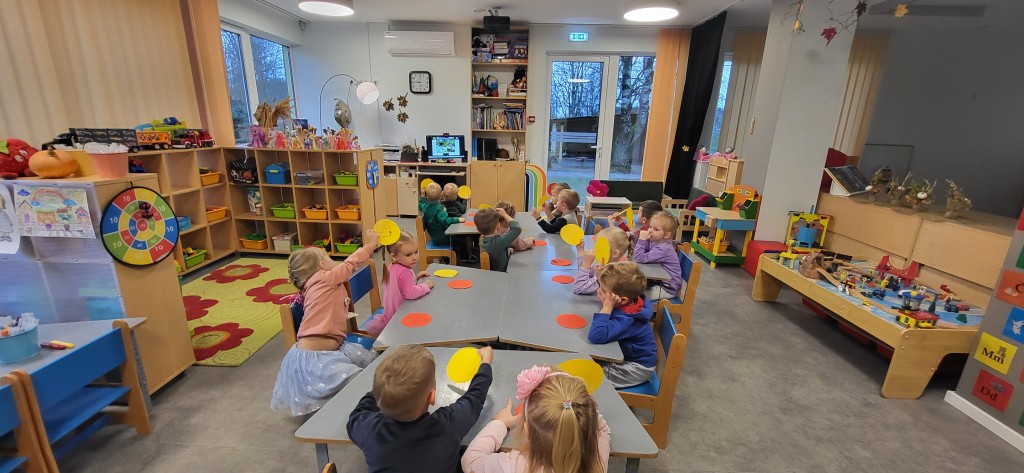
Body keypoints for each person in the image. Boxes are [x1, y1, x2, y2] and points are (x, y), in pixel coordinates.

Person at [270, 230, 380, 416]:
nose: (333, 261)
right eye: (328, 257)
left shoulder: (313, 285)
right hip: (317, 359)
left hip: (332, 349)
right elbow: (350, 264)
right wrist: (371, 245)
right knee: (360, 381)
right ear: (322, 265)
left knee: (371, 361)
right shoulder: (324, 278)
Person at [348, 345, 494, 473]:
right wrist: (486, 363)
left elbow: (357, 414)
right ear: (431, 396)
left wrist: (383, 390)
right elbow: (475, 398)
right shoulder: (447, 425)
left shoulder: (369, 428)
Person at [461, 366, 611, 473]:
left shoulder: (512, 466)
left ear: (527, 432)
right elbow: (603, 430)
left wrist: (499, 423)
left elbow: (470, 461)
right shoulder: (595, 461)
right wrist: (583, 409)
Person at [587, 261, 657, 388]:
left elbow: (596, 336)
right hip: (628, 357)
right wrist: (600, 277)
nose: (598, 291)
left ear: (622, 300)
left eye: (603, 290)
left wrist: (607, 308)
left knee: (588, 378)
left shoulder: (628, 319)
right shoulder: (633, 299)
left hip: (636, 369)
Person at [363, 231, 433, 335]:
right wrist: (425, 286)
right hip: (400, 316)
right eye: (408, 254)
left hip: (391, 312)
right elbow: (410, 293)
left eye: (416, 251)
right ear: (394, 256)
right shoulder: (404, 272)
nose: (415, 257)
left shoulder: (392, 266)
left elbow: (401, 286)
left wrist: (416, 278)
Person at [633, 211, 682, 301]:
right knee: (633, 288)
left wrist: (642, 239)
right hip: (658, 281)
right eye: (650, 227)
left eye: (656, 229)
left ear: (666, 235)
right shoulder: (656, 242)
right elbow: (643, 250)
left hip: (667, 288)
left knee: (636, 297)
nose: (650, 230)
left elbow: (639, 258)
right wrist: (641, 238)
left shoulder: (664, 249)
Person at [574, 227, 632, 295]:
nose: (596, 250)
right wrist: (580, 252)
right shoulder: (605, 266)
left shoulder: (610, 275)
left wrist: (586, 263)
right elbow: (586, 276)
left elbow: (579, 288)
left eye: (602, 247)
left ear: (615, 253)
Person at [420, 181, 468, 261]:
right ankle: (451, 258)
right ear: (441, 194)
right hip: (443, 238)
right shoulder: (440, 208)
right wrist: (457, 219)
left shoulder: (425, 206)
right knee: (461, 241)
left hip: (434, 237)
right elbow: (445, 221)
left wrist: (422, 195)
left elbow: (420, 205)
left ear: (427, 196)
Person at [476, 207, 521, 272]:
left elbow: (495, 251)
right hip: (501, 274)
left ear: (478, 230)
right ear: (498, 226)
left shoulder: (482, 239)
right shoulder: (498, 242)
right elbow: (516, 228)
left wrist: (506, 251)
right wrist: (505, 215)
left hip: (492, 272)